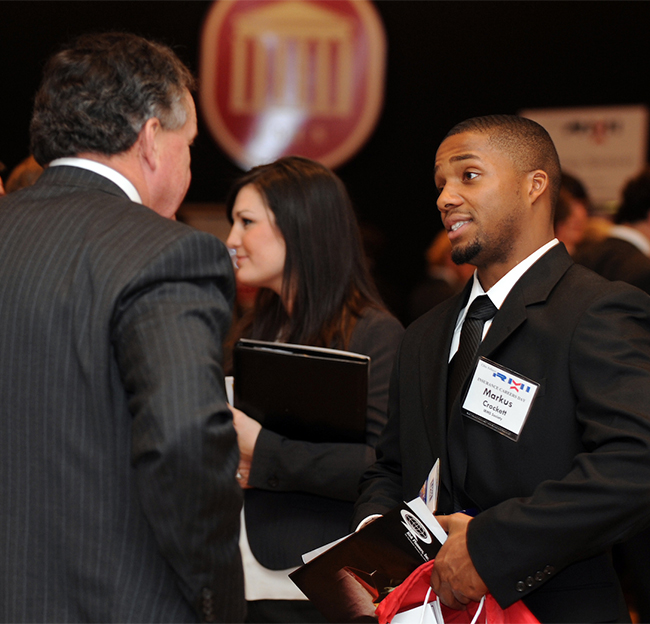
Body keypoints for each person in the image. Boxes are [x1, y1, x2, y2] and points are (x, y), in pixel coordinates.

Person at [352, 115, 650, 623]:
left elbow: (634, 463)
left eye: (468, 176)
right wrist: (375, 535)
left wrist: (490, 548)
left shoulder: (599, 310)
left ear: (535, 186)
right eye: (440, 182)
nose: (445, 197)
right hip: (425, 607)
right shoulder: (423, 332)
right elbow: (393, 464)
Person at [0, 32, 244, 623]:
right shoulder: (167, 252)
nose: (189, 164)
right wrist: (214, 600)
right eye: (191, 146)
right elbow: (185, 439)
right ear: (153, 139)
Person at [224, 156, 404, 623]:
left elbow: (382, 468)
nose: (232, 240)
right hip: (238, 572)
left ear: (300, 227)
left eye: (246, 222)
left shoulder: (374, 334)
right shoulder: (253, 329)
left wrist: (261, 450)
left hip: (315, 583)